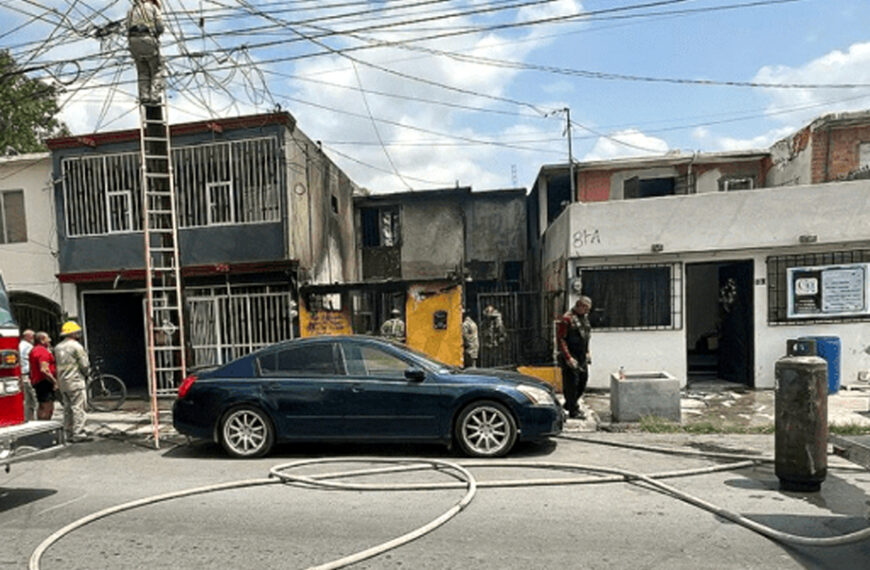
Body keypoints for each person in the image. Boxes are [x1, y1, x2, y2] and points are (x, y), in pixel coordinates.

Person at [55, 321, 93, 443]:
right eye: (77, 332)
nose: (79, 333)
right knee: (78, 407)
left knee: (67, 408)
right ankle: (79, 432)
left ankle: (68, 432)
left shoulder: (58, 347)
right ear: (73, 333)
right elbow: (84, 364)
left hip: (63, 382)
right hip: (75, 380)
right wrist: (87, 374)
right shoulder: (76, 346)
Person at [556, 296, 592, 419]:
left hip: (581, 355)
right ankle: (573, 409)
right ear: (579, 305)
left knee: (583, 380)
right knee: (572, 383)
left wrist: (587, 352)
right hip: (570, 355)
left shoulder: (584, 319)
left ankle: (570, 404)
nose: (587, 311)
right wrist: (568, 357)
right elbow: (561, 339)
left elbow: (586, 337)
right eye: (586, 308)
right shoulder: (567, 319)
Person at [127, 0, 165, 104]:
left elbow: (127, 26)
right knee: (156, 70)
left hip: (133, 41)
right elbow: (160, 27)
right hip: (147, 39)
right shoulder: (153, 7)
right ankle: (154, 96)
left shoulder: (131, 10)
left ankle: (144, 96)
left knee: (143, 71)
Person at [28, 331, 58, 420]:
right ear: (42, 340)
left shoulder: (34, 350)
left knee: (42, 405)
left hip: (38, 381)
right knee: (47, 406)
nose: (50, 340)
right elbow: (44, 370)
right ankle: (45, 424)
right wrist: (54, 381)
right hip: (44, 382)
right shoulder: (42, 351)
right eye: (47, 338)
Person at [19, 329, 37, 421]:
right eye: (32, 336)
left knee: (26, 400)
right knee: (33, 399)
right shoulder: (29, 347)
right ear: (27, 337)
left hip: (21, 375)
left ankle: (27, 419)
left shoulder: (19, 345)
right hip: (27, 375)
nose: (33, 338)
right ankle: (33, 419)